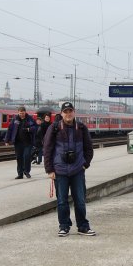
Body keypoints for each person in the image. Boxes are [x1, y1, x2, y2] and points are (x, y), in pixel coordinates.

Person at [43, 101, 96, 237]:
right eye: (65, 112)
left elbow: (89, 148)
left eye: (70, 111)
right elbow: (47, 149)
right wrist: (49, 169)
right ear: (61, 113)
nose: (68, 114)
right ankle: (64, 226)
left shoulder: (81, 128)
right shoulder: (54, 128)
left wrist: (85, 164)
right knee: (62, 201)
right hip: (60, 171)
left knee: (80, 200)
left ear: (74, 112)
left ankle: (83, 226)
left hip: (77, 170)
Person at [4, 106, 37, 179]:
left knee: (27, 157)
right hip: (18, 142)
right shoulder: (15, 119)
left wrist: (29, 129)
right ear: (18, 112)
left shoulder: (29, 119)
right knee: (19, 158)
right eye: (20, 113)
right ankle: (20, 174)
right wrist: (7, 140)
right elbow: (10, 129)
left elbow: (35, 127)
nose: (21, 114)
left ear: (25, 112)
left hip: (28, 142)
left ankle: (27, 171)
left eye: (23, 113)